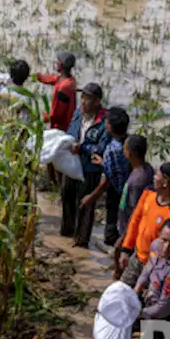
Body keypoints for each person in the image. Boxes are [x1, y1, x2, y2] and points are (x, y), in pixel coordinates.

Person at [116, 162, 170, 285]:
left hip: (154, 265)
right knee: (122, 291)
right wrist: (126, 249)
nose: (154, 177)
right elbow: (135, 221)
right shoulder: (148, 193)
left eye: (157, 174)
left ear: (165, 183)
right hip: (136, 257)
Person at [65, 84, 108, 244]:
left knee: (85, 204)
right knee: (67, 197)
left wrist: (82, 148)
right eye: (82, 97)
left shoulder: (104, 122)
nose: (83, 101)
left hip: (90, 169)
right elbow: (71, 131)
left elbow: (102, 148)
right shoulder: (78, 113)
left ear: (97, 101)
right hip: (72, 164)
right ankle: (67, 234)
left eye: (88, 98)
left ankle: (81, 241)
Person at [80, 105, 129, 248]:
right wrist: (104, 163)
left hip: (118, 194)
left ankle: (117, 258)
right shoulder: (128, 142)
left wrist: (90, 198)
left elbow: (106, 181)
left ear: (110, 126)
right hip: (127, 191)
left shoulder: (113, 148)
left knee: (112, 232)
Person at [115, 134, 153, 257]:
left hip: (131, 232)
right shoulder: (146, 169)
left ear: (129, 153)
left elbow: (136, 212)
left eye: (125, 148)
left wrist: (125, 238)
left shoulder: (138, 181)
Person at [35, 51, 77, 131]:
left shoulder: (64, 88)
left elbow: (57, 114)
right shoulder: (70, 79)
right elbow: (54, 79)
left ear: (61, 64)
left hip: (61, 128)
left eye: (57, 61)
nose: (56, 63)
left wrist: (42, 117)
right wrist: (40, 77)